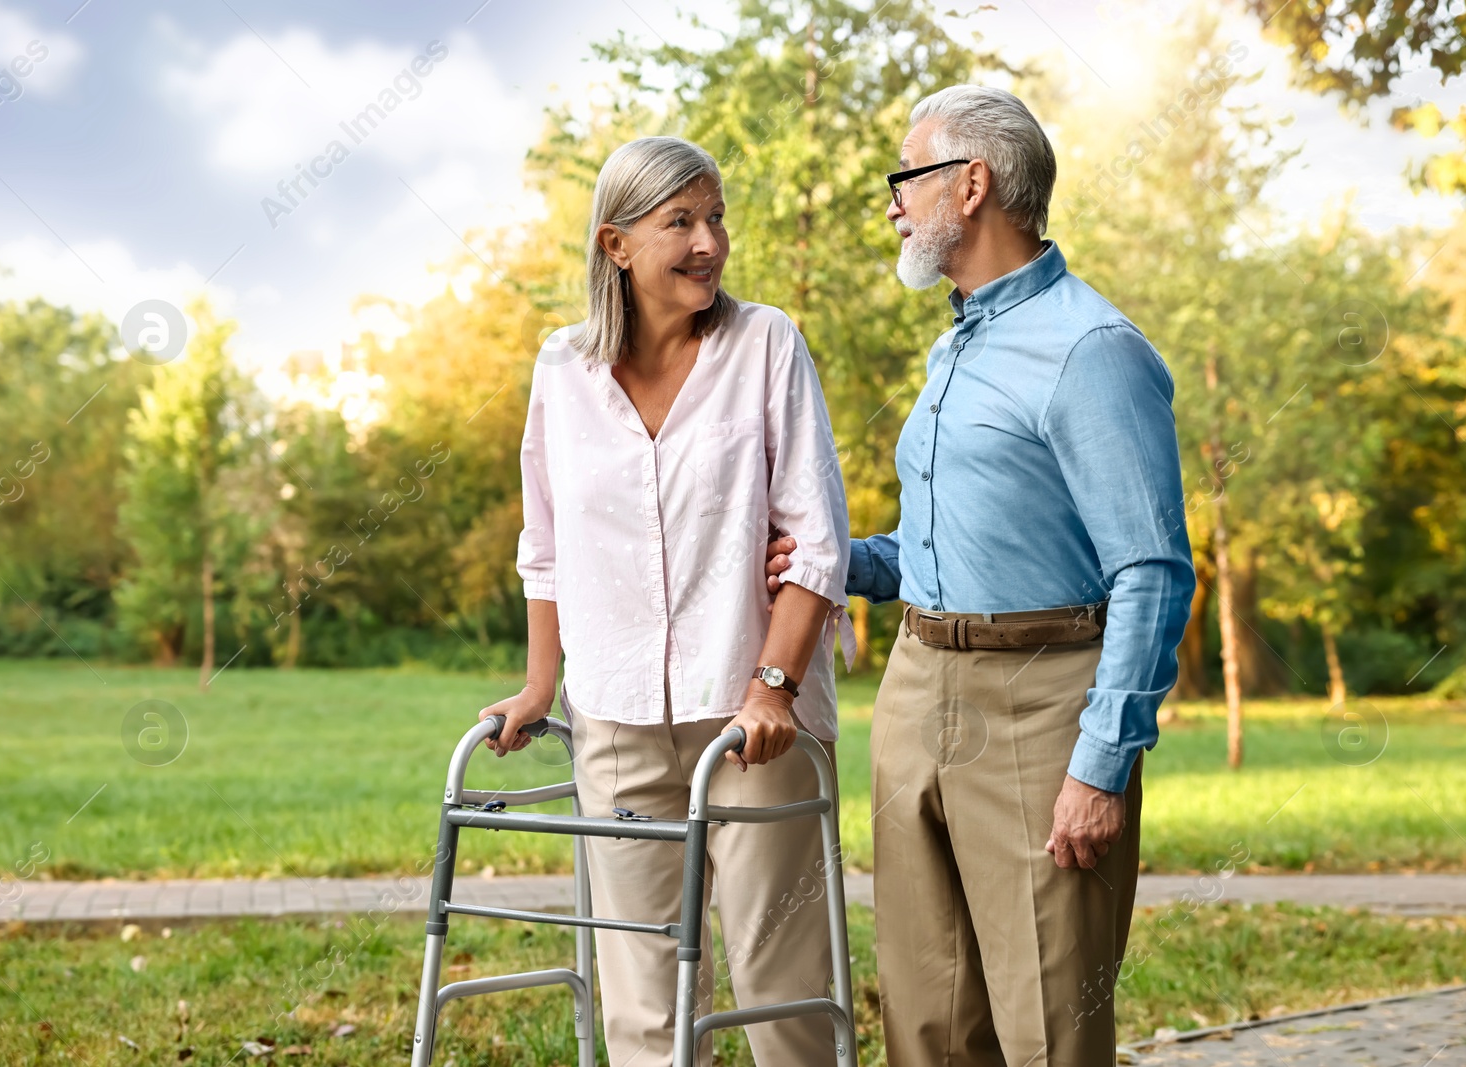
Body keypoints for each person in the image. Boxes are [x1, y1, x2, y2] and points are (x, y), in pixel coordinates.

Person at [768, 85, 1196, 1065]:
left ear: (972, 184)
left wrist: (1100, 761)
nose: (890, 203)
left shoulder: (1091, 351)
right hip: (919, 688)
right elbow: (942, 543)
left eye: (904, 176)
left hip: (1041, 703)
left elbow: (1152, 570)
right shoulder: (957, 343)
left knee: (1045, 1027)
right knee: (926, 1020)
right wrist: (835, 564)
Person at [481, 135, 853, 1066]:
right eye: (680, 221)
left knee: (780, 991)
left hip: (752, 725)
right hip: (616, 722)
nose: (709, 243)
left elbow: (817, 539)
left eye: (716, 218)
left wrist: (774, 683)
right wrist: (539, 684)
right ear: (616, 245)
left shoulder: (766, 342)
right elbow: (546, 543)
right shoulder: (561, 370)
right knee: (642, 1003)